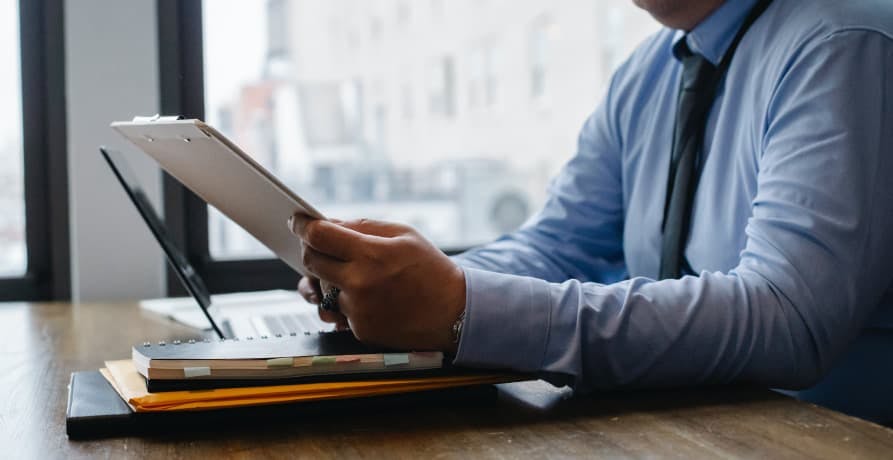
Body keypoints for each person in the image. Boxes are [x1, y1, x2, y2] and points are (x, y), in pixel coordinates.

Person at [291, 0, 893, 424]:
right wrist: (395, 281)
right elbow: (557, 245)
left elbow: (790, 320)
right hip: (695, 430)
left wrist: (460, 306)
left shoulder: (843, 44)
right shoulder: (646, 73)